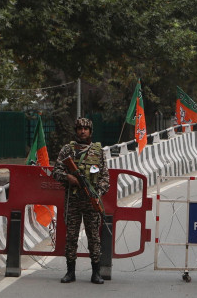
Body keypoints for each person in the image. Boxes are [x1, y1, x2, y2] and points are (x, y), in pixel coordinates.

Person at [53, 117, 110, 284]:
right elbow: (56, 171)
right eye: (79, 128)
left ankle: (96, 272)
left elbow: (105, 178)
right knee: (71, 237)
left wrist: (96, 193)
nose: (82, 131)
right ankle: (70, 272)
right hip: (73, 200)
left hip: (91, 201)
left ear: (90, 131)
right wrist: (68, 177)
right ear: (76, 131)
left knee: (94, 237)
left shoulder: (98, 152)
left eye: (85, 129)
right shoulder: (67, 150)